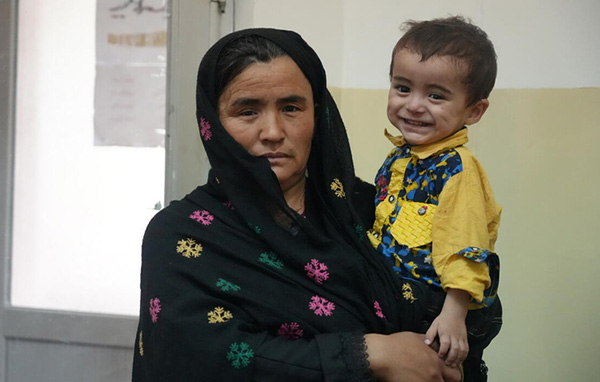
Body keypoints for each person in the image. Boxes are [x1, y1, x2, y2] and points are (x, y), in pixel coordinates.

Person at [132, 28, 462, 381]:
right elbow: (198, 356)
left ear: (317, 116)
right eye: (247, 111)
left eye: (291, 108)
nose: (273, 131)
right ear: (212, 122)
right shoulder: (181, 235)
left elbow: (468, 301)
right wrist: (370, 354)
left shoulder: (373, 207)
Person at [368, 16, 502, 381]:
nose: (413, 105)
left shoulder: (457, 170)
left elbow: (467, 245)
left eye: (436, 95)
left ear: (473, 111)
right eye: (402, 87)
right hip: (399, 302)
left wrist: (454, 314)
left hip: (437, 311)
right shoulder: (402, 156)